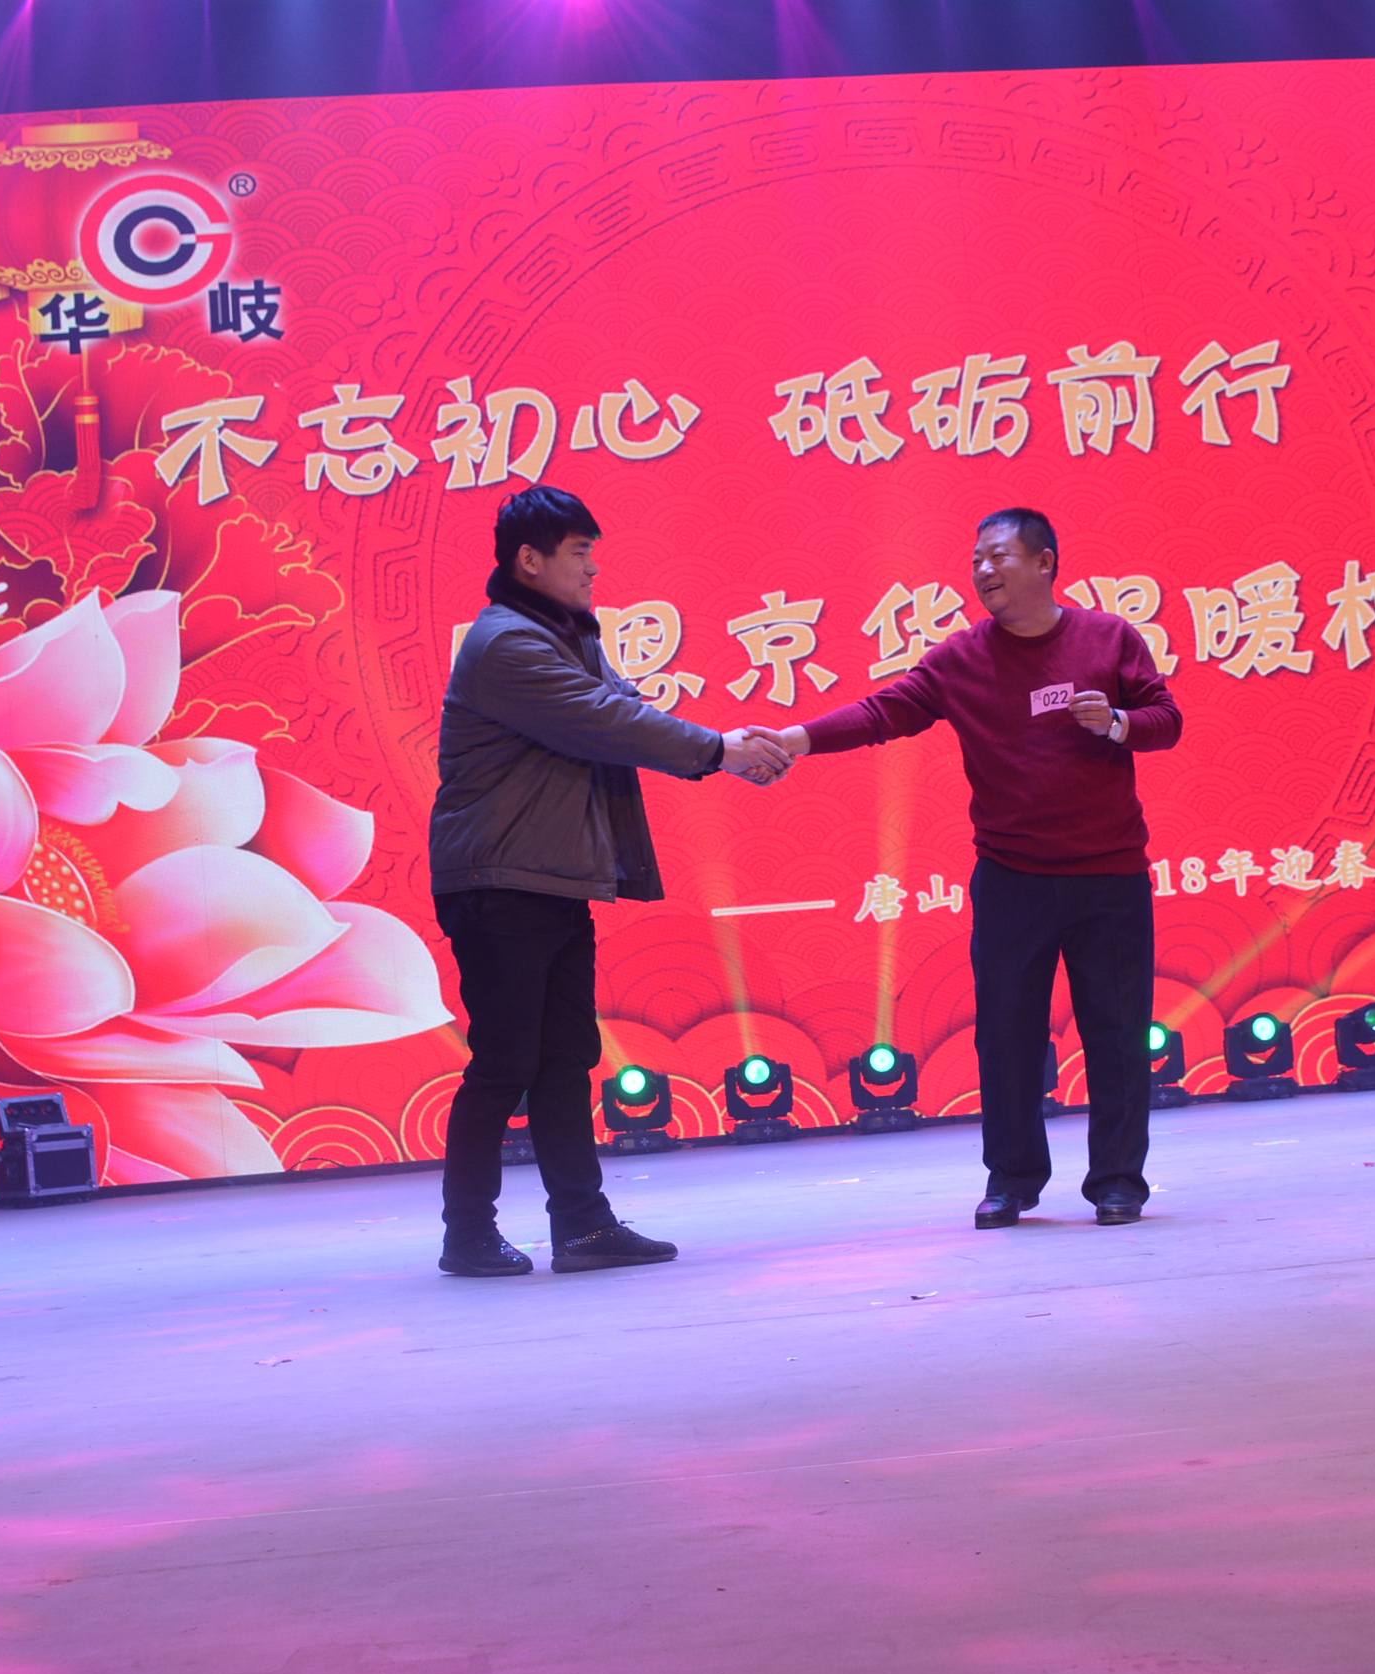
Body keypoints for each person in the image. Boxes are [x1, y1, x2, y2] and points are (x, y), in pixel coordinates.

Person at [760, 507, 1183, 1227]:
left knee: (1116, 1034)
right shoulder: (961, 659)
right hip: (1013, 877)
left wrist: (1116, 723)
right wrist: (794, 738)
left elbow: (1165, 720)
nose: (984, 571)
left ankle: (1118, 1182)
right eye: (977, 560)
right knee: (1007, 1035)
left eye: (999, 556)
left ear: (1045, 562)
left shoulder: (1108, 637)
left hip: (1109, 875)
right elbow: (883, 712)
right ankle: (1012, 1180)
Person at [430, 485, 791, 1276]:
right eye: (579, 553)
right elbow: (608, 722)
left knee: (566, 1056)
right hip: (499, 882)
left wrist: (723, 747)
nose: (593, 569)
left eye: (593, 552)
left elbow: (621, 707)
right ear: (530, 561)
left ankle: (583, 1227)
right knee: (504, 1062)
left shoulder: (563, 635)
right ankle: (467, 1233)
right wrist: (721, 751)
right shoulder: (507, 644)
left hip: (550, 880)